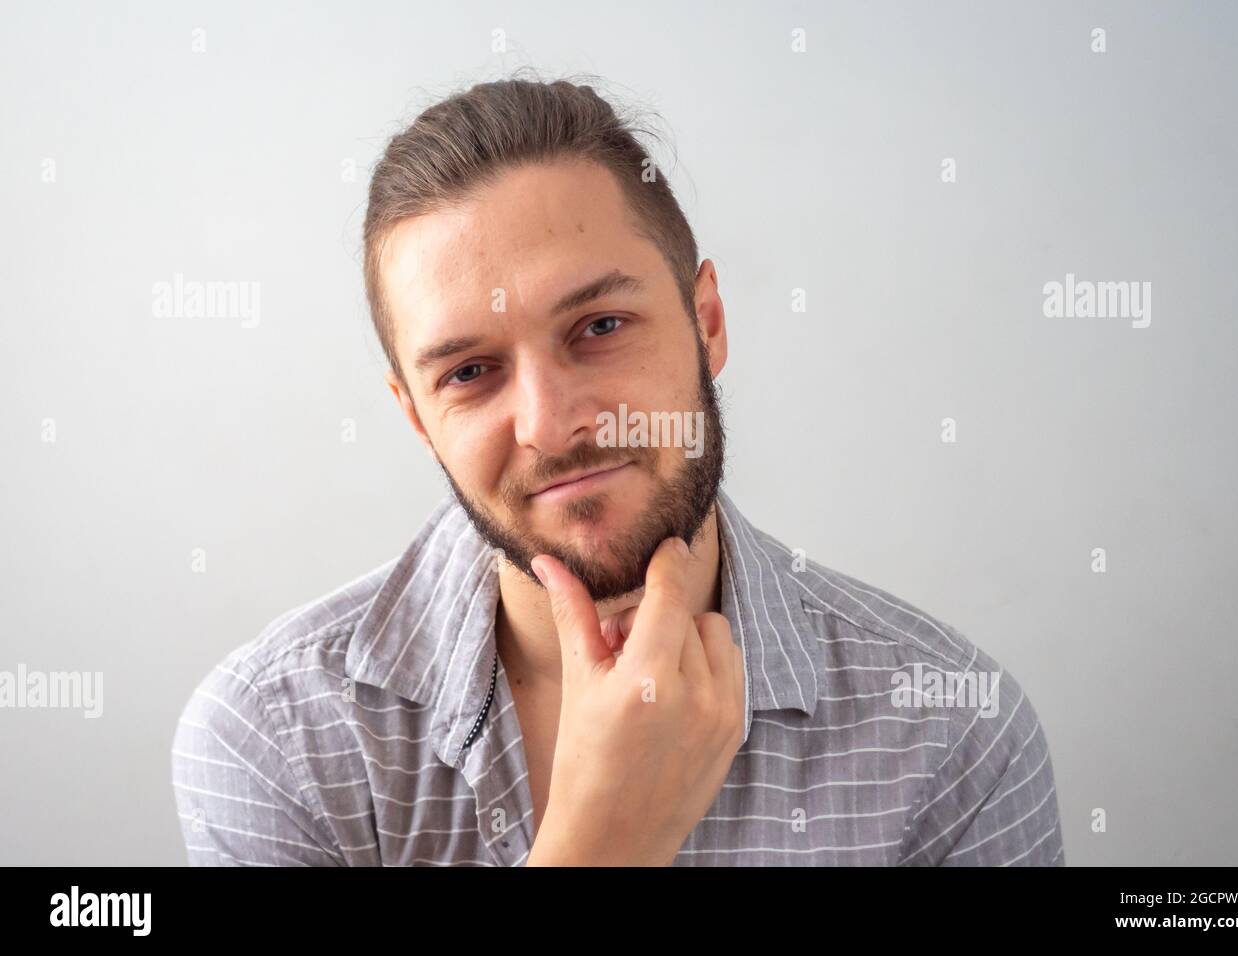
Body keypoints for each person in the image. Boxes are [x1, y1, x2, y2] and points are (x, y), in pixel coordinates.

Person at [172, 76, 1064, 866]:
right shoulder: (275, 740)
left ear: (707, 322)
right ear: (418, 419)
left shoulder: (952, 736)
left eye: (599, 326)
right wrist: (600, 847)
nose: (553, 426)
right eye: (470, 373)